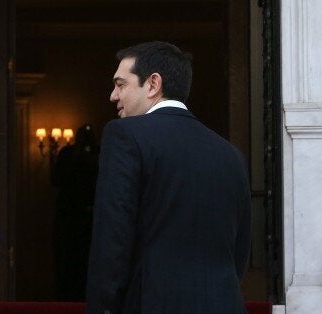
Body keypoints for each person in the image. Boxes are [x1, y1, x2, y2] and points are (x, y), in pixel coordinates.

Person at [87, 41, 251, 314]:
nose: (113, 96)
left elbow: (112, 240)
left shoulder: (124, 135)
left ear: (153, 84)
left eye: (121, 84)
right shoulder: (231, 155)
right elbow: (240, 249)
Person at [51, 124, 99, 301]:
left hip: (94, 222)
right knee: (67, 267)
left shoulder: (101, 153)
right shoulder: (68, 154)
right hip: (69, 221)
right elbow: (56, 179)